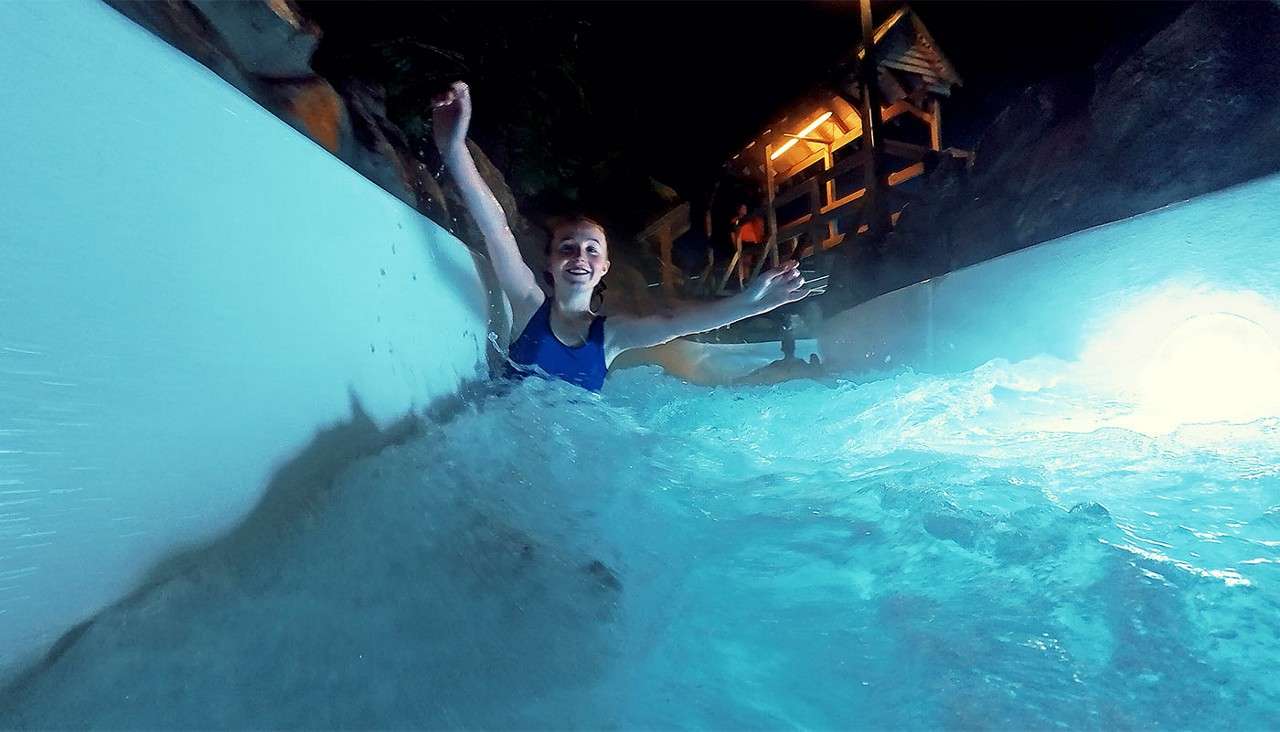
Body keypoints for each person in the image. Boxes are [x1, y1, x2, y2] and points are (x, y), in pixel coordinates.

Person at [432, 81, 823, 392]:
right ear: (549, 263)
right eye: (567, 248)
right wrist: (453, 148)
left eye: (591, 250)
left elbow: (674, 322)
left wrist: (750, 303)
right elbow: (496, 228)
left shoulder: (611, 335)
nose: (579, 256)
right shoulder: (528, 304)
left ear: (603, 267)